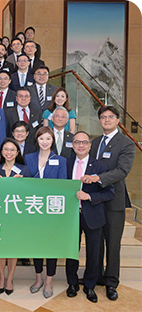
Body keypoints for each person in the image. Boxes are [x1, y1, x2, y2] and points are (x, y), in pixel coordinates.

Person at [82, 106, 135, 301]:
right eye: (103, 117)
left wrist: (97, 178)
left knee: (112, 244)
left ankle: (112, 282)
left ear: (118, 119)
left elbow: (122, 171)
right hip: (96, 201)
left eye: (110, 117)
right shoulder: (94, 143)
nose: (106, 120)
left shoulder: (126, 143)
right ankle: (97, 276)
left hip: (114, 201)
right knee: (96, 243)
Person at [65, 131, 115, 303]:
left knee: (94, 252)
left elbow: (110, 193)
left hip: (93, 215)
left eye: (84, 142)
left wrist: (90, 197)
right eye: (77, 142)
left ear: (90, 146)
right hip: (71, 216)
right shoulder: (66, 163)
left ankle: (90, 285)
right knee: (72, 251)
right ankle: (72, 283)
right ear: (72, 145)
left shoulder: (100, 167)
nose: (81, 145)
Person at [25, 126, 67, 299]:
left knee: (51, 247)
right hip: (33, 209)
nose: (44, 142)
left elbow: (63, 186)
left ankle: (49, 280)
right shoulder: (28, 158)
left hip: (52, 210)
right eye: (41, 138)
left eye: (48, 139)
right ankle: (38, 278)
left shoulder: (61, 160)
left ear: (53, 141)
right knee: (36, 245)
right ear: (37, 140)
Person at [0, 138, 31, 295]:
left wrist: (22, 184)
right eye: (6, 149)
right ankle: (1, 277)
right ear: (2, 151)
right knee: (0, 248)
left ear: (17, 152)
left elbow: (31, 195)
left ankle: (10, 278)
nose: (9, 152)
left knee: (13, 248)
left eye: (12, 150)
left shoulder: (24, 170)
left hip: (16, 216)